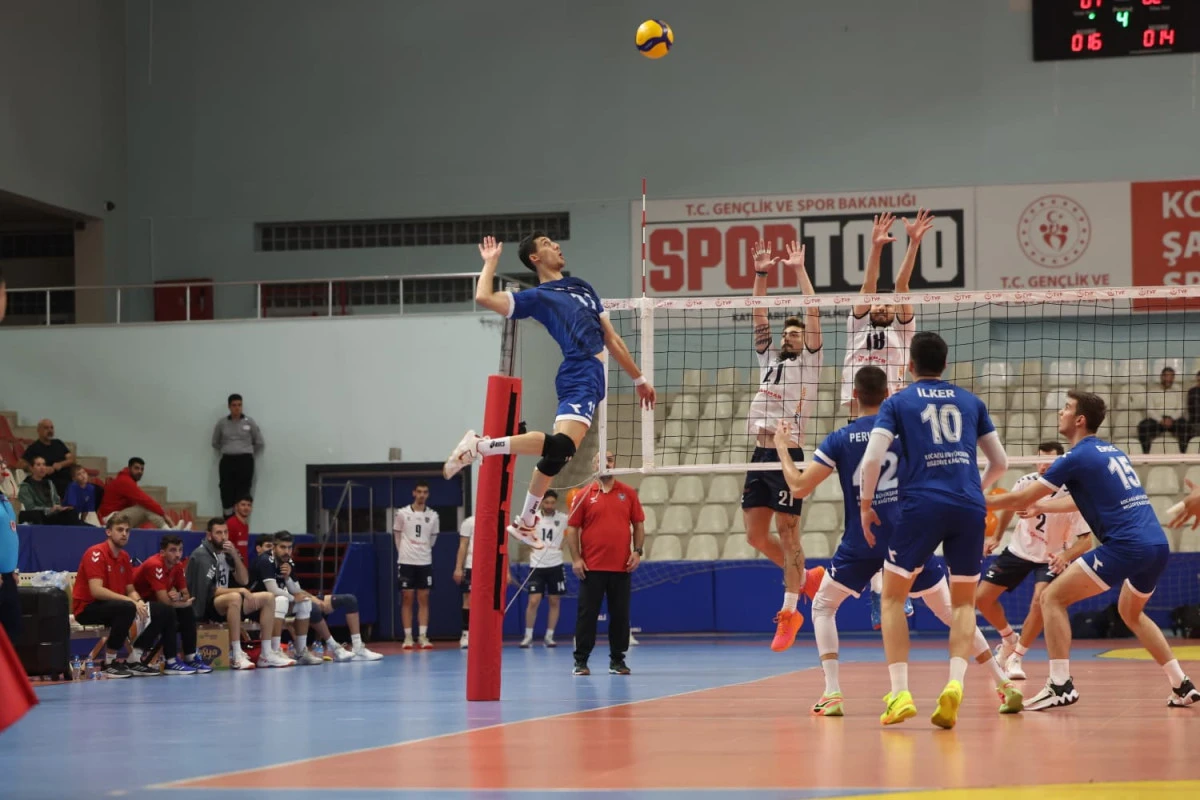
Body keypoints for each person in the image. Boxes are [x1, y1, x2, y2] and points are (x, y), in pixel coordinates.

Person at [774, 366, 1021, 718]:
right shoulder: (907, 433)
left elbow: (798, 487)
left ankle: (832, 692)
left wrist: (782, 447)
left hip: (863, 539)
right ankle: (1002, 682)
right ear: (889, 393)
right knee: (954, 611)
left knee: (824, 607)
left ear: (854, 396)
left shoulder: (840, 439)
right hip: (909, 534)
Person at [988, 391, 1200, 710]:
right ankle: (1180, 684)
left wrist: (976, 500)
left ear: (1080, 420)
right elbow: (1078, 500)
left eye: (1066, 408)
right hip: (1156, 544)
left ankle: (1060, 684)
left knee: (1051, 598)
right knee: (1131, 613)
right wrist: (1043, 506)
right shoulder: (1110, 452)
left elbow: (1019, 499)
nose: (1060, 412)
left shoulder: (1074, 458)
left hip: (1126, 545)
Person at [442, 234, 655, 548]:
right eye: (546, 243)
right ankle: (480, 446)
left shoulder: (583, 287)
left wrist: (638, 379)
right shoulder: (539, 297)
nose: (556, 245)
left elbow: (611, 339)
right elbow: (484, 297)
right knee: (561, 446)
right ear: (535, 258)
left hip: (592, 377)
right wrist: (490, 263)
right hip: (579, 371)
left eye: (555, 242)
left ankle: (526, 522)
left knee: (559, 454)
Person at [858, 331, 1009, 728]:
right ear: (945, 364)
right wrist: (975, 489)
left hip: (921, 505)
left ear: (910, 365)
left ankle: (900, 694)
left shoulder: (897, 402)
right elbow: (1001, 463)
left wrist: (865, 505)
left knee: (892, 598)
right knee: (963, 605)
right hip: (968, 505)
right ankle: (955, 683)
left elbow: (872, 459)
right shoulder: (971, 401)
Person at [841, 211, 933, 626]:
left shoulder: (903, 333)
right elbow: (869, 285)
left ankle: (893, 587)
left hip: (894, 423)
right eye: (875, 303)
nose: (880, 304)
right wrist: (876, 247)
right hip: (857, 424)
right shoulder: (856, 326)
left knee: (900, 507)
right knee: (865, 508)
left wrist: (913, 243)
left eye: (885, 304)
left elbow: (902, 287)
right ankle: (880, 588)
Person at [742, 239, 825, 651]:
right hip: (759, 453)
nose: (790, 337)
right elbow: (759, 315)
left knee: (788, 534)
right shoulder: (769, 360)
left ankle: (790, 611)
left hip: (787, 452)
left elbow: (813, 312)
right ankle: (806, 577)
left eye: (796, 334)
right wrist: (761, 273)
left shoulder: (810, 362)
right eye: (787, 333)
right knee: (755, 537)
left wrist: (798, 270)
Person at [977, 442, 1092, 680]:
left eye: (1050, 462)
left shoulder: (1072, 495)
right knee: (982, 598)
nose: (1043, 466)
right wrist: (997, 536)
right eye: (1040, 460)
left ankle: (1016, 657)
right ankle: (1009, 639)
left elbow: (1086, 542)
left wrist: (1065, 556)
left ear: (1060, 465)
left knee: (1040, 601)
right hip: (1019, 550)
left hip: (1051, 556)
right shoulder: (1026, 482)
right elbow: (1010, 506)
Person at [72, 513, 190, 677]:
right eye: (120, 530)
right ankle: (109, 662)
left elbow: (130, 589)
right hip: (87, 608)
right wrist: (131, 601)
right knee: (127, 607)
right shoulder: (96, 553)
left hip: (115, 607)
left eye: (127, 531)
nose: (124, 534)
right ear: (108, 532)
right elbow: (96, 591)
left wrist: (139, 601)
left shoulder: (124, 557)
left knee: (164, 610)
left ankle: (137, 659)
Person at [564, 451, 644, 676]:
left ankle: (617, 661)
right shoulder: (583, 495)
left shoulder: (628, 493)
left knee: (620, 616)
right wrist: (576, 558)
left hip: (621, 567)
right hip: (591, 568)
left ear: (614, 464)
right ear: (593, 466)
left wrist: (637, 551)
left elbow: (638, 524)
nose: (606, 463)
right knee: (587, 616)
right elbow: (572, 529)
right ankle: (581, 661)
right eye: (600, 460)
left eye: (609, 459)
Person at [186, 517, 278, 671]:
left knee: (268, 598)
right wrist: (239, 590)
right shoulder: (202, 555)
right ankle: (236, 654)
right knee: (235, 597)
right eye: (218, 533)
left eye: (225, 532)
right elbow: (209, 590)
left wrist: (235, 555)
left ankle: (266, 654)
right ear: (209, 535)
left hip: (226, 602)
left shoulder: (228, 552)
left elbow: (244, 580)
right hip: (207, 604)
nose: (223, 537)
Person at [133, 534, 212, 674]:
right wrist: (181, 603)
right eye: (173, 550)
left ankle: (190, 657)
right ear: (162, 552)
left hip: (156, 606)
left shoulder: (178, 566)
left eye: (180, 550)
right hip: (137, 605)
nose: (178, 554)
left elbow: (186, 595)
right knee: (169, 611)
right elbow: (165, 601)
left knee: (186, 611)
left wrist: (179, 596)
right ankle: (170, 661)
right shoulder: (154, 565)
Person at [249, 531, 314, 666]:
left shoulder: (288, 561)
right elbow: (272, 590)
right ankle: (274, 650)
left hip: (272, 605)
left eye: (289, 547)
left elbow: (297, 590)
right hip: (253, 605)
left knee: (305, 603)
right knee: (281, 600)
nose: (286, 551)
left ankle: (301, 652)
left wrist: (288, 577)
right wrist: (293, 598)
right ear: (274, 547)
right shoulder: (266, 560)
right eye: (283, 547)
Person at [393, 481, 439, 649]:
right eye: (419, 492)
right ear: (414, 493)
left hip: (424, 561)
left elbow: (432, 539)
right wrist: (403, 553)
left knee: (424, 598)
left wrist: (422, 550)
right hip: (406, 561)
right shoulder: (402, 513)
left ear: (428, 495)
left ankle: (423, 636)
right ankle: (407, 637)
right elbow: (397, 535)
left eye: (425, 492)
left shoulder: (433, 516)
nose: (421, 495)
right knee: (407, 597)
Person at [520, 490, 568, 648]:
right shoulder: (533, 518)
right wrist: (530, 545)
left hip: (556, 564)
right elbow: (522, 533)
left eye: (552, 503)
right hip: (537, 565)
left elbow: (574, 530)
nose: (549, 505)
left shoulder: (563, 518)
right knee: (533, 600)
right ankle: (528, 636)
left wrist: (563, 543)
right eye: (546, 502)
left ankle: (549, 636)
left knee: (554, 600)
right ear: (541, 502)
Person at [212, 394, 264, 516]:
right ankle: (228, 519)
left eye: (239, 405)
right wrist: (228, 449)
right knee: (226, 490)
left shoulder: (249, 422)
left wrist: (246, 450)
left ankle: (241, 519)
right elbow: (215, 442)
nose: (237, 408)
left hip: (245, 461)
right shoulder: (222, 423)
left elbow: (259, 442)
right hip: (227, 461)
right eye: (234, 405)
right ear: (229, 407)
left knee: (244, 490)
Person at [98, 457, 185, 530]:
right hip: (111, 519)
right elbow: (145, 500)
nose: (140, 471)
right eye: (136, 468)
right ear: (129, 468)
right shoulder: (124, 481)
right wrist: (165, 516)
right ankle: (169, 530)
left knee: (148, 508)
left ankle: (170, 529)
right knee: (145, 506)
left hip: (119, 516)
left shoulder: (129, 480)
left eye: (142, 469)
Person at [16, 419, 75, 498]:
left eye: (51, 428)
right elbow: (20, 464)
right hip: (50, 484)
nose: (50, 430)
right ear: (38, 430)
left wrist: (61, 464)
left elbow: (72, 459)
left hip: (67, 480)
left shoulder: (58, 443)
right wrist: (39, 470)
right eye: (46, 428)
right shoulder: (34, 447)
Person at [17, 456, 81, 525]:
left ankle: (83, 528)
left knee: (71, 513)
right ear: (32, 468)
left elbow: (56, 501)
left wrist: (59, 507)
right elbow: (29, 507)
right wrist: (49, 510)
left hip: (53, 514)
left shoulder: (49, 483)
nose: (42, 468)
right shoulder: (25, 486)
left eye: (44, 464)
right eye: (38, 465)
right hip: (40, 515)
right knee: (37, 515)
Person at [1138, 366, 1184, 454]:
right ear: (1161, 377)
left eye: (1171, 377)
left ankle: (1184, 454)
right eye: (1166, 376)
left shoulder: (1178, 391)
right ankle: (1146, 454)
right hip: (1157, 421)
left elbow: (1180, 409)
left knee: (1185, 425)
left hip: (1173, 420)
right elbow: (1150, 410)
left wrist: (1171, 419)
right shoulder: (1152, 392)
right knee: (1143, 426)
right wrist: (1160, 420)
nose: (1168, 379)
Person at [0, 485, 19, 642]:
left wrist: (13, 568)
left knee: (13, 629)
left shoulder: (3, 498)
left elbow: (9, 534)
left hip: (7, 575)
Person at [453, 514, 475, 649]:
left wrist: (506, 571)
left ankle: (486, 633)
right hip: (471, 565)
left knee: (488, 601)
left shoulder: (496, 521)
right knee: (469, 599)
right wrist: (458, 568)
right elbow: (463, 545)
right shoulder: (469, 522)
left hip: (489, 567)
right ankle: (466, 634)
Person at [225, 495, 254, 564]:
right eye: (243, 505)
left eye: (249, 505)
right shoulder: (230, 523)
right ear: (236, 507)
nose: (246, 508)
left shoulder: (246, 525)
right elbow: (226, 548)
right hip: (233, 566)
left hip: (243, 566)